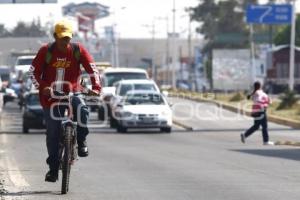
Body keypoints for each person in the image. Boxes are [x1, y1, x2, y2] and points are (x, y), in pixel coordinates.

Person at [29, 19, 101, 182]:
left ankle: (81, 140)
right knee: (53, 132)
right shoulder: (45, 51)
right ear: (55, 36)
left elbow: (93, 69)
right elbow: (33, 73)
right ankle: (53, 169)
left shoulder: (78, 50)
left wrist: (96, 88)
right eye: (62, 37)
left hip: (73, 92)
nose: (65, 41)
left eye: (68, 37)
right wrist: (44, 87)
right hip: (50, 97)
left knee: (82, 109)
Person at [241, 81, 273, 145]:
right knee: (264, 126)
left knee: (256, 126)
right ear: (260, 86)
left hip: (256, 112)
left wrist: (267, 100)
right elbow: (261, 100)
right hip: (261, 110)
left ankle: (245, 135)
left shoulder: (254, 93)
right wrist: (266, 102)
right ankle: (266, 141)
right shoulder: (259, 92)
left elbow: (257, 99)